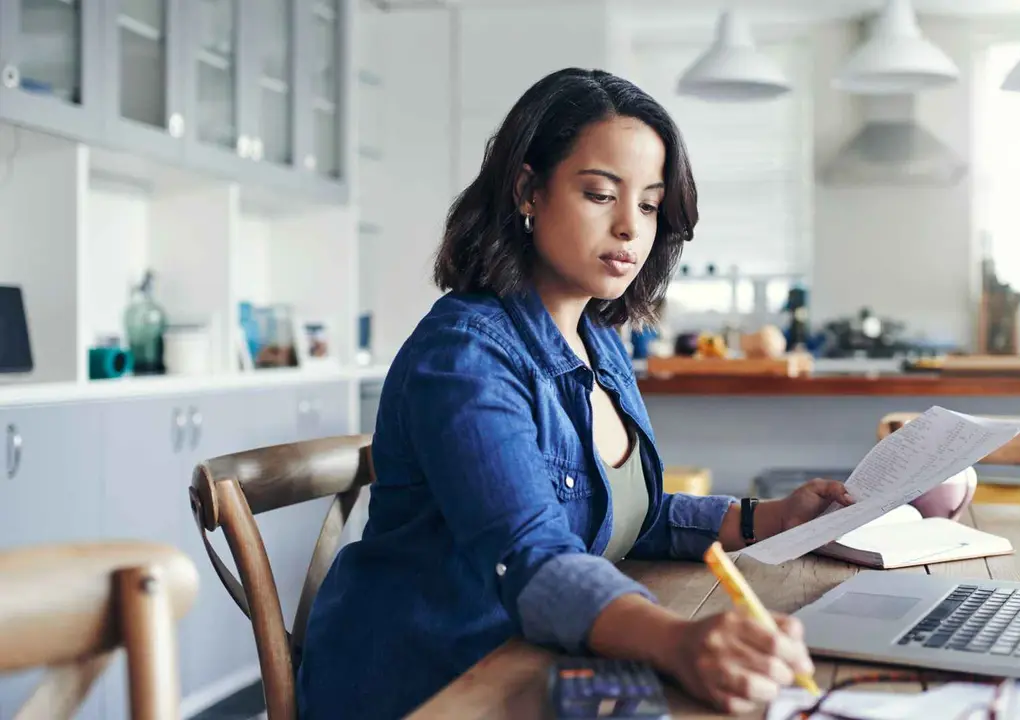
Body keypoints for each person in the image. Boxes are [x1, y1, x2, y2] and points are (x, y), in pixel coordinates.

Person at [296, 67, 853, 720]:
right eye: (599, 194)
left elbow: (626, 514)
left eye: (648, 205)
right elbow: (533, 556)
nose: (630, 228)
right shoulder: (466, 355)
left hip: (532, 661)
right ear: (529, 189)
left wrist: (767, 519)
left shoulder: (601, 341)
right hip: (432, 684)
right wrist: (677, 640)